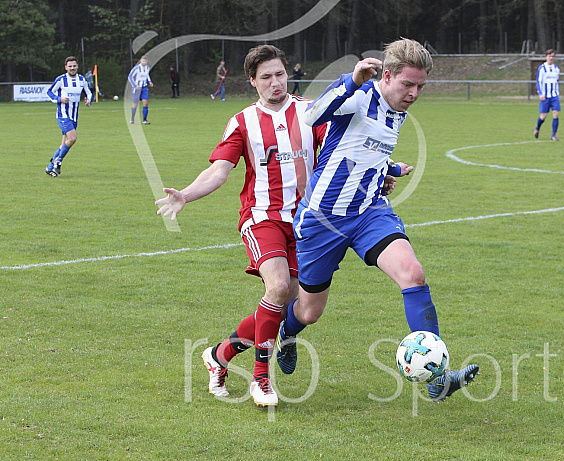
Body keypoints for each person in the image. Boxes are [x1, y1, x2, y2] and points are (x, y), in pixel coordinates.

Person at [275, 38, 479, 402]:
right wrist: (349, 80)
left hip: (369, 212)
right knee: (309, 311)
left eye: (420, 87)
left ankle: (438, 377)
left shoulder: (397, 109)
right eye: (408, 85)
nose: (414, 93)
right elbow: (309, 117)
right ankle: (287, 334)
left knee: (413, 273)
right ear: (387, 75)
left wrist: (389, 168)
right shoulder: (359, 95)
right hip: (323, 219)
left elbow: (361, 152)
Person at [155, 45, 326, 407]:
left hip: (306, 222)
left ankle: (220, 355)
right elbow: (220, 170)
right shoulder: (243, 122)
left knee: (290, 306)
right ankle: (261, 379)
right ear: (252, 81)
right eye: (266, 77)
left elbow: (341, 153)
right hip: (262, 217)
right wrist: (185, 194)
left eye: (280, 73)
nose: (276, 82)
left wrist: (382, 173)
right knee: (278, 287)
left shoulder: (311, 111)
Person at [45, 56, 92, 177]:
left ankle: (50, 168)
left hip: (74, 116)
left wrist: (88, 100)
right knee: (72, 138)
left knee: (65, 143)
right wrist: (59, 99)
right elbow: (49, 92)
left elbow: (88, 92)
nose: (72, 68)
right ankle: (58, 162)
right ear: (66, 67)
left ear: (77, 66)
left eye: (74, 66)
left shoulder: (82, 79)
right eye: (70, 66)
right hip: (63, 115)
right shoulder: (61, 79)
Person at [534, 49, 560, 141]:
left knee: (556, 113)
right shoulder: (542, 68)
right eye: (550, 56)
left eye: (553, 56)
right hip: (545, 96)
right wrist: (540, 93)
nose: (551, 58)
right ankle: (537, 128)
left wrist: (557, 93)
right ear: (546, 57)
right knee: (543, 115)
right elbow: (538, 81)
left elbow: (557, 81)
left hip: (554, 95)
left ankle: (554, 135)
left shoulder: (556, 69)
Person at [129, 56, 153, 124]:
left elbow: (147, 75)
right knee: (135, 104)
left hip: (144, 88)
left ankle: (144, 120)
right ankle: (132, 118)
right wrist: (135, 85)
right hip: (137, 89)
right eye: (143, 61)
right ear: (140, 61)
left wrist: (150, 81)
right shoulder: (136, 68)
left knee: (145, 103)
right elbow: (130, 77)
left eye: (145, 61)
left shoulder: (147, 68)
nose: (144, 62)